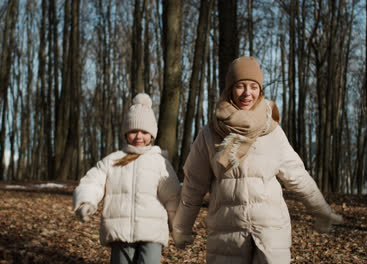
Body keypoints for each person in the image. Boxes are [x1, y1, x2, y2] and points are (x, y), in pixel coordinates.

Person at [172, 56, 343, 263]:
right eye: (240, 86)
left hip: (270, 234)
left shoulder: (272, 131)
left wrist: (320, 209)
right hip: (227, 237)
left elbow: (297, 176)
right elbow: (193, 186)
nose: (247, 93)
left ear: (260, 90)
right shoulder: (210, 134)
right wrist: (182, 227)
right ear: (230, 89)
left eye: (253, 86)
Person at [73, 93, 181, 264]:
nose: (139, 136)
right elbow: (93, 181)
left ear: (151, 135)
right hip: (119, 230)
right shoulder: (113, 160)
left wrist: (179, 226)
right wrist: (86, 201)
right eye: (133, 131)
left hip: (152, 231)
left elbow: (172, 196)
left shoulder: (160, 162)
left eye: (144, 132)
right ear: (125, 133)